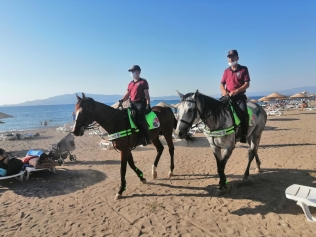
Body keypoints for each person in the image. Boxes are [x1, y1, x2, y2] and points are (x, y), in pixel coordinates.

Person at [220, 50, 250, 143]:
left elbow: (247, 84)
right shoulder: (226, 71)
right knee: (218, 110)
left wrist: (236, 91)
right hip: (227, 96)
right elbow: (221, 84)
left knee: (244, 113)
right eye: (229, 57)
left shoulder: (243, 69)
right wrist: (224, 91)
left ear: (237, 57)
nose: (230, 58)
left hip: (239, 96)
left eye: (232, 56)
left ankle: (244, 134)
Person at [119, 65, 152, 146]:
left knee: (140, 118)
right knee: (127, 116)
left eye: (133, 71)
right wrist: (122, 100)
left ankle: (147, 137)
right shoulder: (130, 84)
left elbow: (147, 95)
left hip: (140, 104)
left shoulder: (143, 82)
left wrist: (148, 104)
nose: (132, 73)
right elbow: (127, 94)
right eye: (131, 72)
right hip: (132, 104)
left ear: (138, 72)